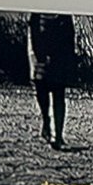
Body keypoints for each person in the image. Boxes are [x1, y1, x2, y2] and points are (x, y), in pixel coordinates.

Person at [26, 12, 76, 150]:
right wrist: (36, 55)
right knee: (41, 88)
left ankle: (58, 136)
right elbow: (33, 35)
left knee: (59, 93)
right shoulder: (36, 15)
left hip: (59, 55)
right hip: (40, 51)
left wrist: (69, 59)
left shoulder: (65, 14)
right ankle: (46, 123)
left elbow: (69, 36)